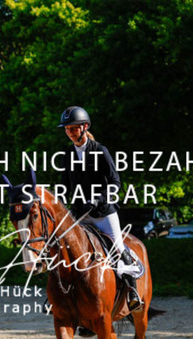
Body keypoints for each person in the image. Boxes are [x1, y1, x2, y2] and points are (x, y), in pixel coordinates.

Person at [58, 106, 143, 312]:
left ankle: (132, 292)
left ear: (85, 127)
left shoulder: (100, 151)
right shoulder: (67, 154)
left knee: (118, 248)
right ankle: (59, 296)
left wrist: (98, 199)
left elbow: (115, 182)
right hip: (80, 214)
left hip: (103, 213)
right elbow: (64, 185)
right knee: (63, 250)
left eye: (73, 128)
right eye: (67, 129)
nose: (70, 132)